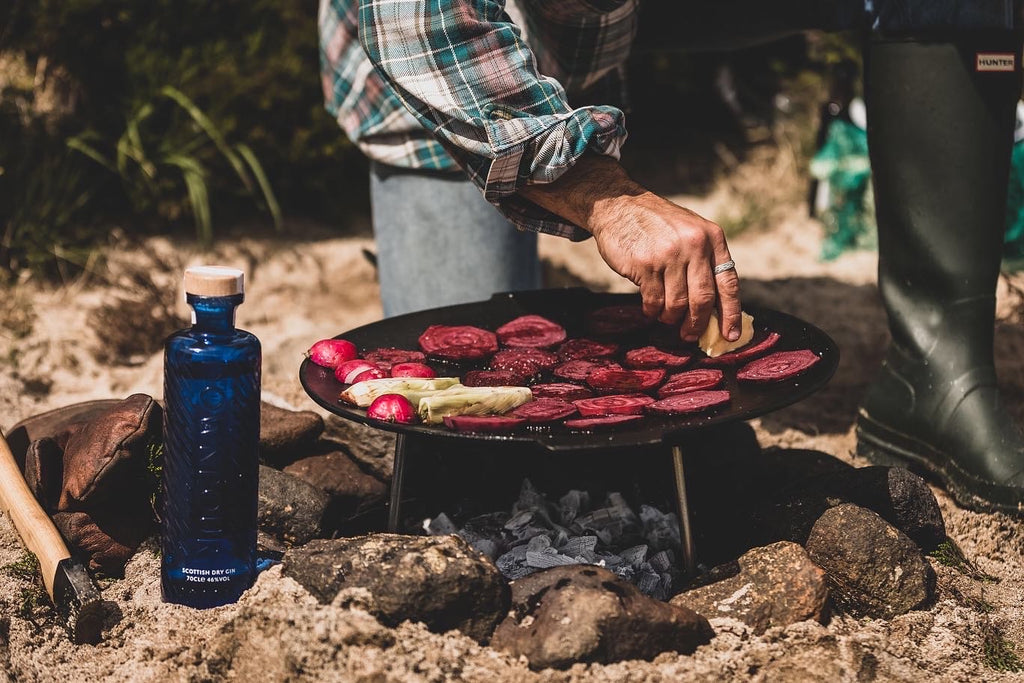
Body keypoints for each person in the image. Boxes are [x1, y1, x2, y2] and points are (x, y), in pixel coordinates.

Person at [318, 1, 1024, 516]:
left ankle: (937, 373)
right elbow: (420, 21)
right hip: (451, 48)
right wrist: (607, 199)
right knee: (483, 449)